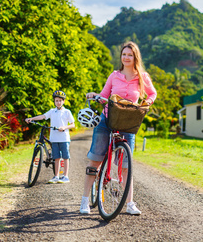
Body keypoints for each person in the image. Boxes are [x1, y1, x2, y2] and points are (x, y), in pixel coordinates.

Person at [79, 41, 157, 215]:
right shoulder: (114, 75)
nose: (126, 57)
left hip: (129, 122)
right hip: (108, 119)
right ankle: (84, 200)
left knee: (126, 167)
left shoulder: (142, 77)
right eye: (124, 54)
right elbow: (104, 95)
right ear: (121, 57)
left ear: (135, 57)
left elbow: (152, 93)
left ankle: (130, 204)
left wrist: (147, 103)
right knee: (96, 160)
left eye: (130, 55)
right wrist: (96, 96)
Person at [25, 90, 75, 184]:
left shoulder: (67, 112)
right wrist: (32, 118)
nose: (58, 102)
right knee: (56, 157)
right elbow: (43, 116)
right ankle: (56, 176)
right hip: (54, 138)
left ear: (63, 101)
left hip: (64, 138)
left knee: (65, 157)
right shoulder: (52, 111)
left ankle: (65, 176)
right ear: (54, 101)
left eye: (60, 100)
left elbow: (73, 125)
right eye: (56, 100)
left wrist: (64, 127)